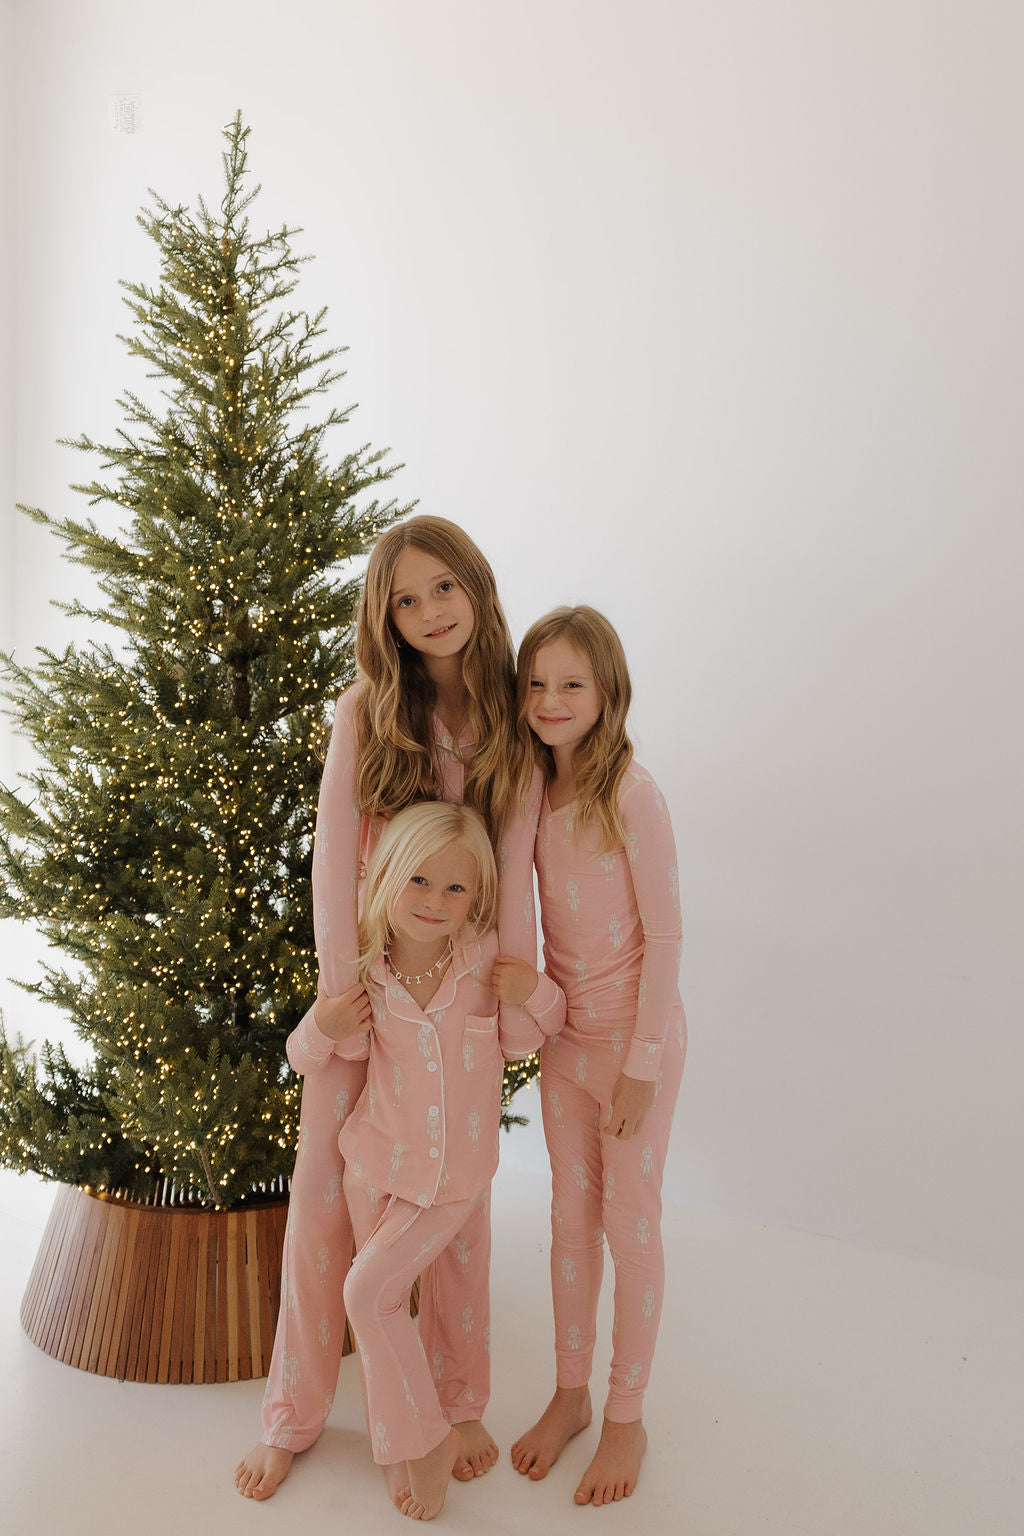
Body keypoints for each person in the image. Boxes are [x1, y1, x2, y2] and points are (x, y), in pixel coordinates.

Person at [235, 516, 545, 1501]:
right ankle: (292, 1414)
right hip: (366, 994)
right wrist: (340, 998)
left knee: (457, 1215)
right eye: (404, 600)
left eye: (441, 590)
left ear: (476, 589)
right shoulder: (365, 709)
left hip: (458, 1002)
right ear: (387, 617)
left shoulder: (510, 712)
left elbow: (521, 861)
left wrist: (505, 984)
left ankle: (455, 1405)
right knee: (322, 1214)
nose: (427, 614)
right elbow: (338, 854)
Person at [494, 606, 686, 1507]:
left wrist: (642, 1064)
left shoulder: (630, 793)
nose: (550, 699)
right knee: (570, 1221)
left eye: (571, 683)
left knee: (629, 1222)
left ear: (606, 690)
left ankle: (626, 1415)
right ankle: (571, 1395)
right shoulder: (533, 789)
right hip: (566, 1043)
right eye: (536, 683)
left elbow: (666, 934)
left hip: (630, 1046)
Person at [325, 800, 563, 1519]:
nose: (434, 902)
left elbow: (534, 1035)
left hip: (455, 1177)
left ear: (478, 898)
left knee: (381, 1294)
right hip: (375, 1164)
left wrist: (538, 992)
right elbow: (316, 1051)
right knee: (380, 1305)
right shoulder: (368, 970)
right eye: (420, 882)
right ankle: (403, 1444)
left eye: (455, 889)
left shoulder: (486, 960)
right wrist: (322, 1027)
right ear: (389, 878)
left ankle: (439, 1430)